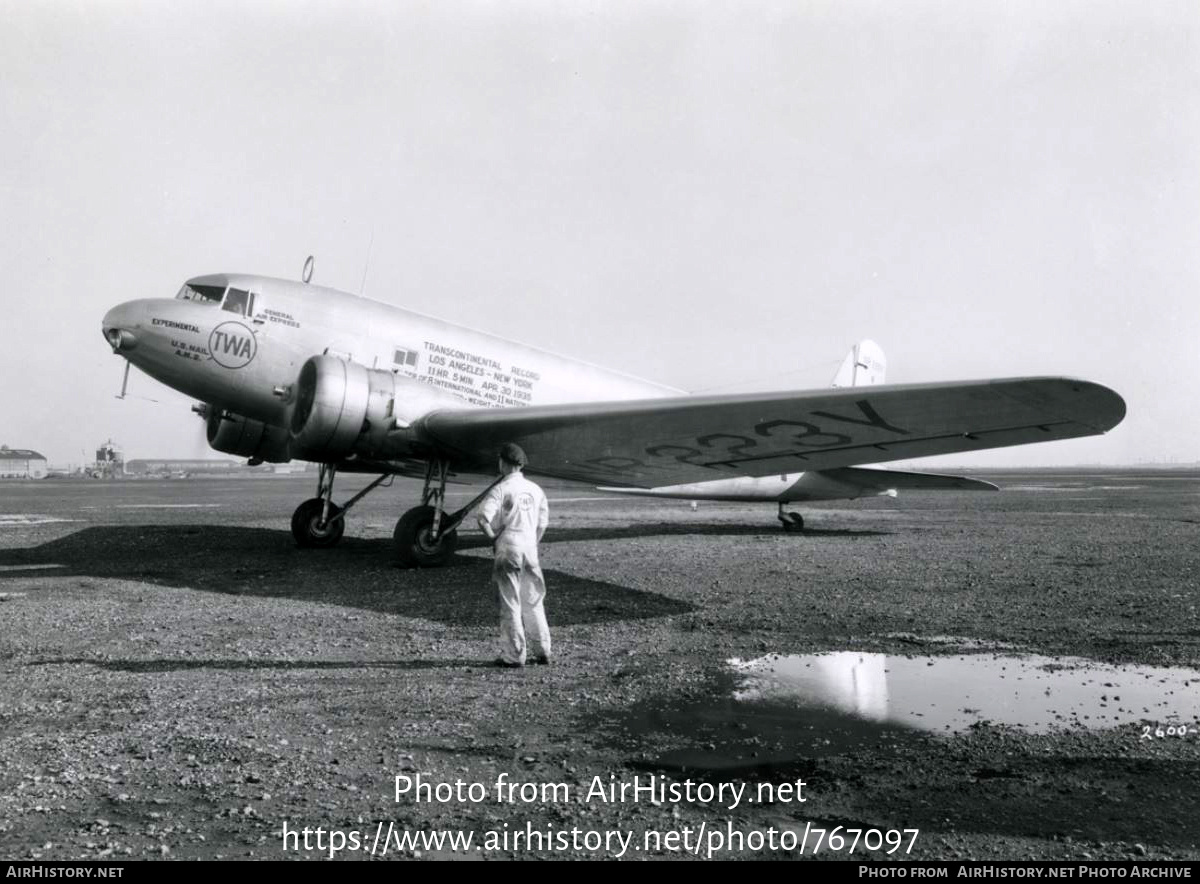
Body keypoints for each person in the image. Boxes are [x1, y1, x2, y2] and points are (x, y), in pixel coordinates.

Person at [476, 443, 550, 668]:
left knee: (511, 603)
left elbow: (482, 519)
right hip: (530, 549)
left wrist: (493, 538)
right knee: (534, 601)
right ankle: (543, 650)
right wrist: (532, 543)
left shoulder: (500, 489)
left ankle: (514, 656)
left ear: (503, 463)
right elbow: (542, 523)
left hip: (508, 548)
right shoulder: (536, 489)